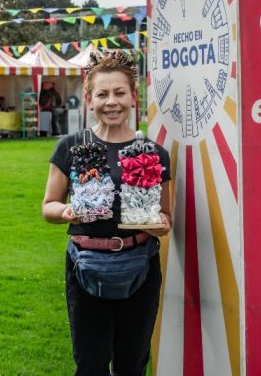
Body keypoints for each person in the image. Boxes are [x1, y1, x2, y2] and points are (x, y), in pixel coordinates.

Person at [42, 50, 172, 376]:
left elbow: (166, 215)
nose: (111, 101)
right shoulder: (72, 147)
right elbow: (48, 206)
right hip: (85, 266)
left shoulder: (153, 153)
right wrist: (69, 211)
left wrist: (157, 223)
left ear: (133, 97)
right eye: (102, 94)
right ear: (89, 99)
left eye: (119, 92)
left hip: (140, 264)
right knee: (90, 363)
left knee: (132, 362)